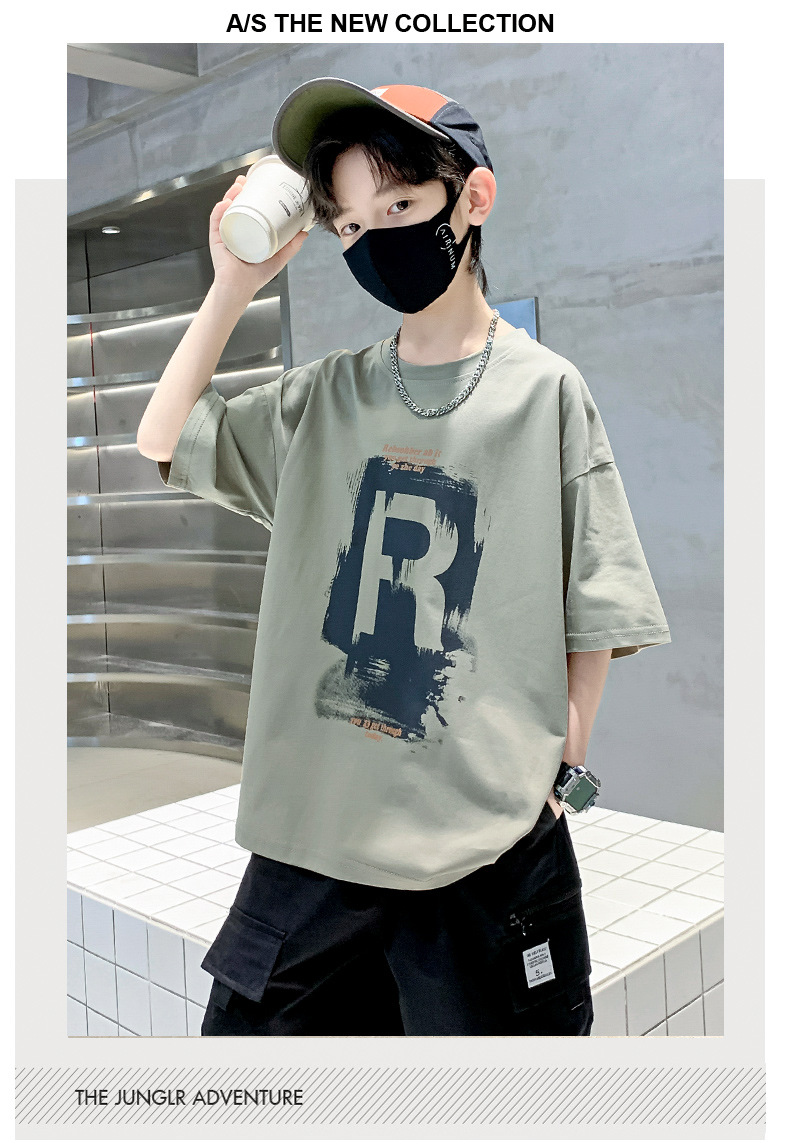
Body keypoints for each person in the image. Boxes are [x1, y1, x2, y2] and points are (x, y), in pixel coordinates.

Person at [136, 79, 671, 1036]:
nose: (372, 240)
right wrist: (232, 287)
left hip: (485, 852)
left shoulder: (545, 393)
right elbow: (164, 436)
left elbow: (596, 588)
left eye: (398, 206)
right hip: (313, 844)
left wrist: (564, 754)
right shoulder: (325, 398)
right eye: (348, 224)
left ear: (473, 198)